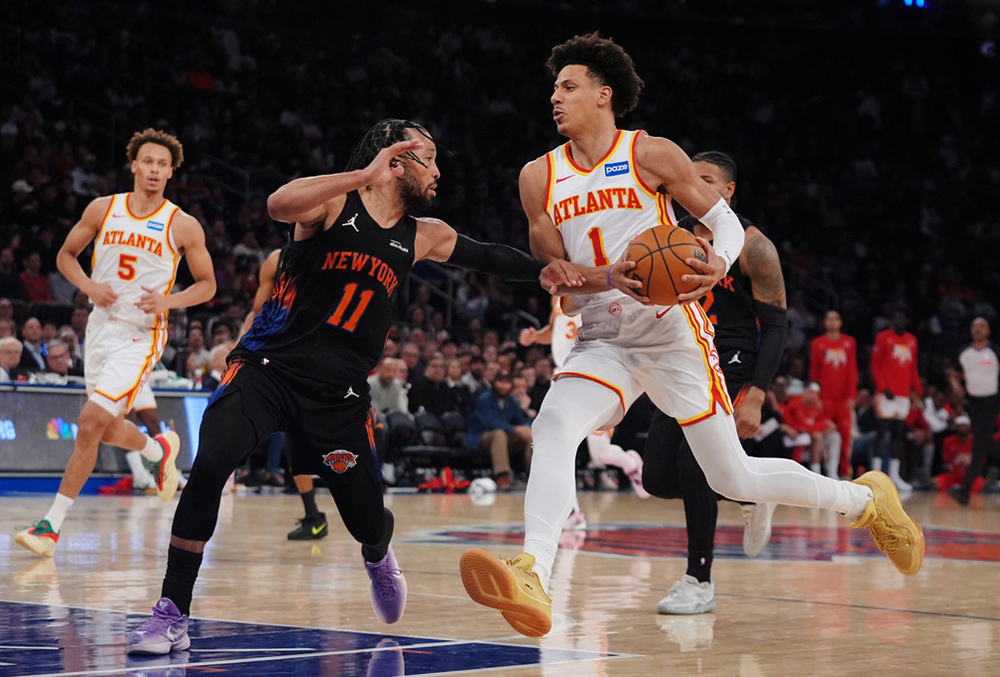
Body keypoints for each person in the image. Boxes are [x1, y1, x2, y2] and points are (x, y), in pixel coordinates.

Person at [459, 32, 924, 639]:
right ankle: (533, 573)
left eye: (568, 86)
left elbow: (724, 223)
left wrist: (719, 265)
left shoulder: (650, 154)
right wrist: (608, 277)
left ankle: (866, 503)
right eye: (553, 88)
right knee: (553, 427)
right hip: (601, 337)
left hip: (673, 334)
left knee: (733, 478)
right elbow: (565, 288)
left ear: (604, 96)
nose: (555, 97)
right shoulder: (536, 178)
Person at [126, 118, 580, 655]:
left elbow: (490, 257)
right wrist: (360, 174)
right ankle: (172, 613)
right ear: (395, 160)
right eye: (427, 158)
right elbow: (278, 204)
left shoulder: (424, 233)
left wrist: (554, 271)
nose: (437, 171)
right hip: (267, 368)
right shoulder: (333, 204)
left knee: (366, 519)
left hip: (338, 395)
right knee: (208, 467)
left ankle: (378, 557)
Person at [15, 128, 217, 558]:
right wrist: (89, 286)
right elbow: (65, 256)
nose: (155, 170)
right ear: (134, 165)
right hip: (101, 326)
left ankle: (50, 527)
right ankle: (157, 448)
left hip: (142, 335)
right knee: (104, 430)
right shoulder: (103, 208)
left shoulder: (182, 223)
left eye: (163, 164)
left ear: (170, 172)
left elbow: (207, 285)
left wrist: (168, 300)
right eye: (148, 161)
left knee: (88, 424)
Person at [640, 151, 789, 615]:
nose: (693, 184)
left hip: (730, 360)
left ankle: (698, 580)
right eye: (689, 177)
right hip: (682, 356)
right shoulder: (672, 237)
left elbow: (778, 325)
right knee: (657, 479)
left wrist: (758, 395)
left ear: (727, 192)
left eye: (705, 179)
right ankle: (748, 490)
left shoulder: (754, 245)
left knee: (694, 464)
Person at [947, 317, 1000, 505]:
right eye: (975, 326)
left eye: (982, 326)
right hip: (973, 403)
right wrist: (955, 384)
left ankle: (965, 490)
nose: (978, 329)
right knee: (985, 443)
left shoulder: (994, 351)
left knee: (979, 443)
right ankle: (965, 490)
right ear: (971, 330)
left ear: (988, 331)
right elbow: (955, 372)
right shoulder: (964, 352)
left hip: (992, 401)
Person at [870, 309, 923, 491]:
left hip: (903, 394)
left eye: (901, 318)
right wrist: (883, 387)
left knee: (899, 433)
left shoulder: (912, 340)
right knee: (882, 432)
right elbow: (875, 365)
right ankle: (875, 474)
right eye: (895, 318)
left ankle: (894, 475)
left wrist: (918, 390)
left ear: (906, 321)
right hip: (886, 393)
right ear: (891, 320)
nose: (898, 321)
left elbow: (913, 367)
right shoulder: (883, 337)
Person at [464, 371, 534, 490]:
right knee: (498, 433)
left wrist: (526, 428)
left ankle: (533, 475)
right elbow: (490, 422)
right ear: (494, 383)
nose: (504, 386)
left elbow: (521, 420)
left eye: (507, 383)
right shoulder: (485, 399)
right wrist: (515, 428)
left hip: (505, 438)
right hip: (480, 437)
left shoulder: (511, 401)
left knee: (529, 435)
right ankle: (502, 477)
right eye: (500, 382)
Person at [810, 310, 858, 478]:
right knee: (826, 433)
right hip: (825, 399)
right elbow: (814, 372)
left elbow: (852, 371)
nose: (832, 322)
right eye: (829, 319)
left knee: (845, 436)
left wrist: (852, 396)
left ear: (840, 323)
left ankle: (843, 471)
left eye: (835, 319)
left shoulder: (849, 342)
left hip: (844, 399)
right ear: (824, 323)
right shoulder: (817, 344)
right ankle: (824, 471)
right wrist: (817, 397)